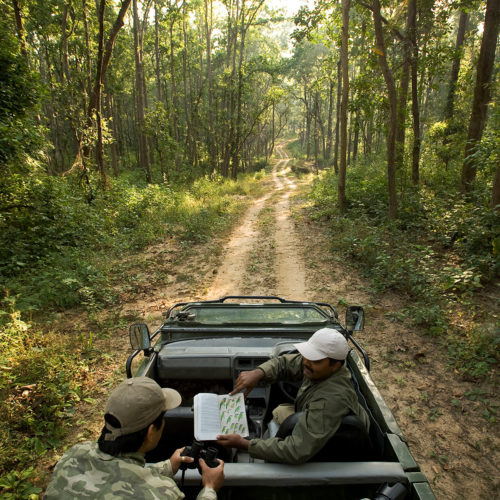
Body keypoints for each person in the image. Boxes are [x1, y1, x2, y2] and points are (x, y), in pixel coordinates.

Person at [45, 377, 224, 499]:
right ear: (151, 431)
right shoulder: (163, 493)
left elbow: (118, 475)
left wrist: (168, 466)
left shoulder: (75, 453)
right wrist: (209, 488)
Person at [216, 328, 370, 464]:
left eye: (314, 360)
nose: (306, 362)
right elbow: (285, 364)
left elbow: (296, 450)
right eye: (306, 356)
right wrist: (258, 373)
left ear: (335, 364)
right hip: (316, 421)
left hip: (334, 444)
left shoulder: (331, 399)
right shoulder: (320, 367)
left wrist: (245, 445)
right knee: (280, 411)